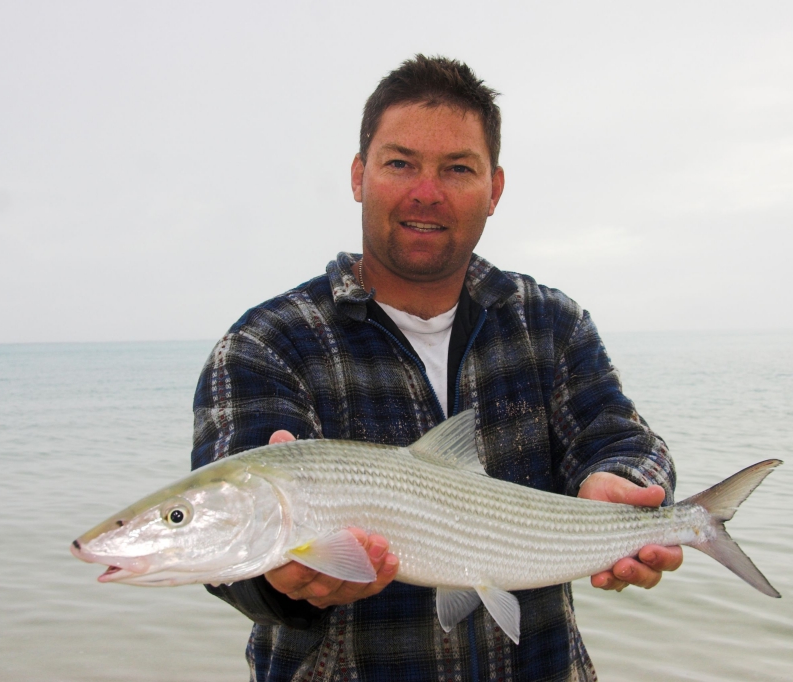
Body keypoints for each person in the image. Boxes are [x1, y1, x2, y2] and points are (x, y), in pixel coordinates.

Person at [192, 54, 682, 682]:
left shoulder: (550, 323)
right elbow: (222, 546)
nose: (427, 191)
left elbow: (623, 439)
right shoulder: (267, 344)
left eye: (457, 168)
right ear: (358, 176)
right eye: (400, 163)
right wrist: (279, 581)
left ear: (495, 189)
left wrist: (624, 479)